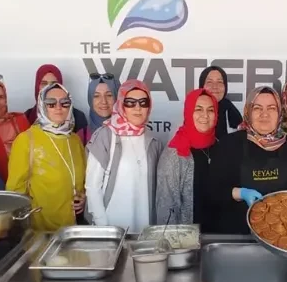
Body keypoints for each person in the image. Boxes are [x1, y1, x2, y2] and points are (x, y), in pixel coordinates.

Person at [210, 86, 287, 234]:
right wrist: (240, 193)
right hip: (238, 234)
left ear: (280, 112)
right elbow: (212, 192)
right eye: (257, 108)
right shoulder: (229, 144)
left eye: (271, 108)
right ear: (248, 112)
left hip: (281, 233)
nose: (264, 114)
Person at [86, 80, 165, 231]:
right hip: (112, 228)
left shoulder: (153, 141)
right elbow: (92, 186)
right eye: (130, 102)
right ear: (122, 105)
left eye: (143, 102)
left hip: (144, 229)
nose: (137, 107)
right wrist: (103, 225)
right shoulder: (105, 136)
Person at [7, 82, 86, 231]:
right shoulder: (26, 140)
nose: (58, 107)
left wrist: (83, 198)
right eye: (51, 103)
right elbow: (15, 191)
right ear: (42, 106)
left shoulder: (74, 140)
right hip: (41, 230)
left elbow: (82, 179)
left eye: (65, 103)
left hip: (73, 228)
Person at [155, 89, 218, 225]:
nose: (205, 115)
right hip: (188, 234)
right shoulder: (175, 153)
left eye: (210, 110)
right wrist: (173, 237)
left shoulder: (219, 146)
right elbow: (166, 207)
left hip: (219, 232)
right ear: (188, 112)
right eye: (198, 109)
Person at [23, 64, 87, 138]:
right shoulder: (26, 117)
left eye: (54, 83)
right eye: (44, 83)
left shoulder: (78, 117)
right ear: (37, 86)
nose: (48, 87)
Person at [199, 66, 243, 139]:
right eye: (209, 82)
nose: (215, 87)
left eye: (219, 82)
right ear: (202, 85)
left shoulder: (229, 108)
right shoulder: (193, 107)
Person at [83, 73, 121, 144]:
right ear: (90, 100)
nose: (104, 101)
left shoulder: (130, 132)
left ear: (117, 97)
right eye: (96, 96)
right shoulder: (81, 136)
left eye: (109, 95)